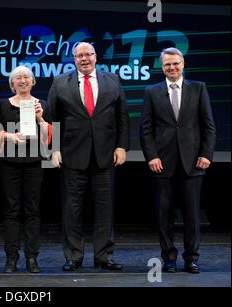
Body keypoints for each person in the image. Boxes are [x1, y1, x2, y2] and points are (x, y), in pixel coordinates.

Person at [47, 42, 129, 272]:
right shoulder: (60, 82)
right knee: (72, 209)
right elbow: (53, 119)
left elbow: (122, 116)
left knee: (105, 209)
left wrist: (122, 146)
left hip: (105, 156)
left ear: (96, 56)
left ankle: (104, 256)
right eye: (79, 55)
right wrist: (54, 149)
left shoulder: (112, 80)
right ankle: (74, 256)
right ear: (74, 59)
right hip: (72, 156)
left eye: (88, 54)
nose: (84, 59)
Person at [140, 47, 216, 274]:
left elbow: (209, 126)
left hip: (193, 162)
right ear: (162, 67)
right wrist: (152, 156)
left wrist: (206, 154)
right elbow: (146, 129)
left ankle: (191, 258)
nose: (171, 68)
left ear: (183, 64)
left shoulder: (199, 88)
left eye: (175, 63)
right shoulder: (151, 91)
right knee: (164, 216)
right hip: (162, 163)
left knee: (192, 216)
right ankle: (169, 258)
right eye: (167, 65)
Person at [0, 65, 51, 273]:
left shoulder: (42, 104)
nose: (22, 80)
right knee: (11, 211)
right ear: (12, 83)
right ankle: (11, 258)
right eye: (18, 78)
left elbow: (47, 141)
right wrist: (10, 137)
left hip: (34, 164)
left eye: (26, 77)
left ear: (33, 81)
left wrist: (40, 119)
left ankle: (32, 258)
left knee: (32, 211)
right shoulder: (1, 105)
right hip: (9, 164)